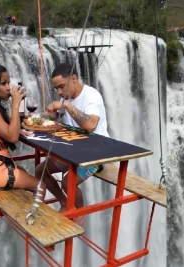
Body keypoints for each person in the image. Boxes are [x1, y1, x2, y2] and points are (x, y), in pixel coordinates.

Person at [34, 63, 110, 226]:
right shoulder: (66, 97)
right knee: (41, 171)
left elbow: (90, 125)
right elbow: (54, 115)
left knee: (67, 182)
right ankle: (63, 202)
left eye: (61, 87)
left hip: (97, 154)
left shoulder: (92, 96)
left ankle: (80, 210)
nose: (60, 92)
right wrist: (36, 117)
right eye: (57, 89)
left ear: (74, 79)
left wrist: (67, 105)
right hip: (74, 151)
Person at [0, 63, 46, 200]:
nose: (8, 88)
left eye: (8, 82)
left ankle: (20, 218)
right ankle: (34, 219)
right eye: (3, 83)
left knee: (23, 172)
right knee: (41, 186)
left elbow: (10, 126)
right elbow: (12, 137)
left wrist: (17, 127)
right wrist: (15, 104)